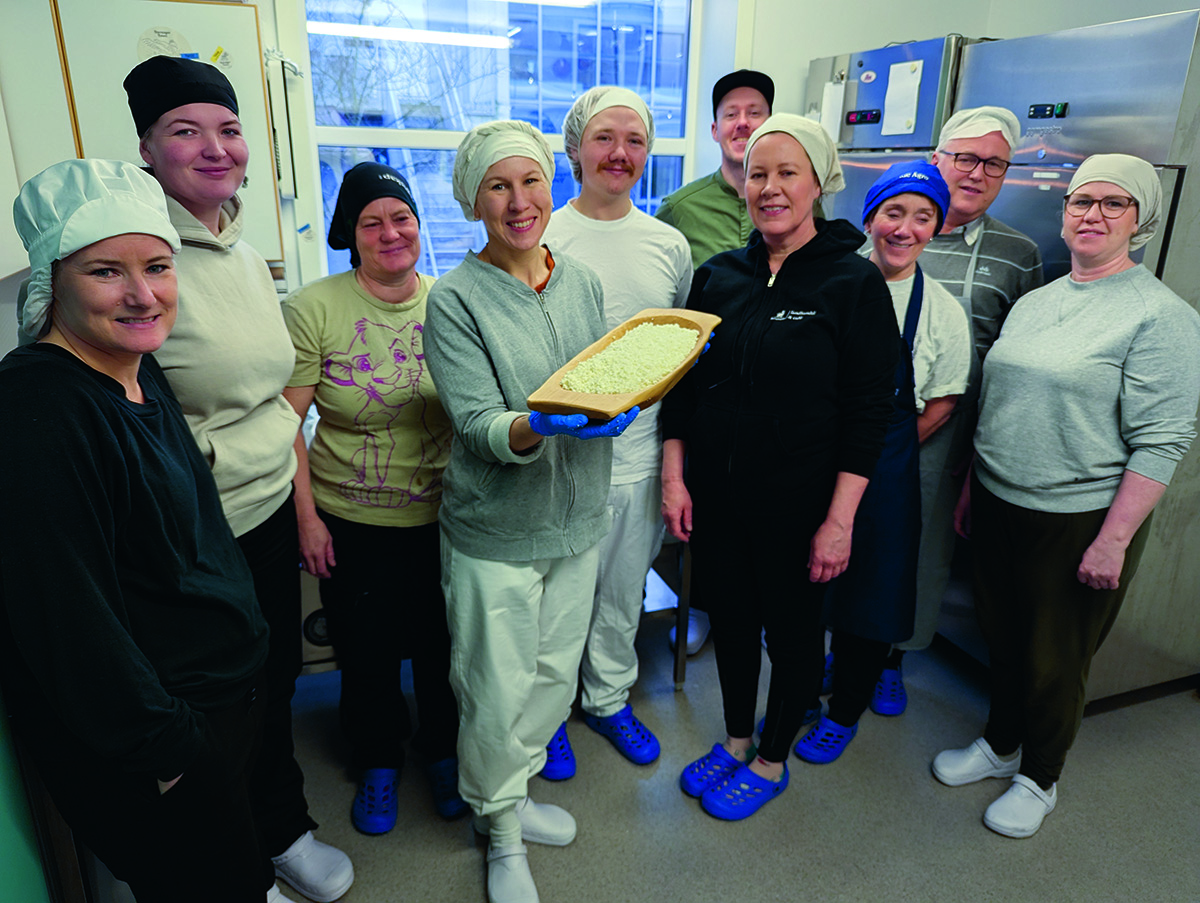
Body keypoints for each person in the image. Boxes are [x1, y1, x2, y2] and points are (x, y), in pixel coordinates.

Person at [0, 158, 269, 901]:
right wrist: (174, 752)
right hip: (161, 742)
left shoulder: (139, 368)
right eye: (105, 272)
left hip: (212, 709)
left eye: (156, 265)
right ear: (54, 281)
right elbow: (66, 619)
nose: (143, 293)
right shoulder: (40, 414)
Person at [123, 55, 351, 903]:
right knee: (218, 705)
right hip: (192, 530)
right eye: (186, 131)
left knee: (274, 679)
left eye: (227, 130)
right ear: (147, 149)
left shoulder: (246, 254)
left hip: (261, 511)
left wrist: (297, 503)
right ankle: (237, 870)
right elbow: (125, 415)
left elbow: (272, 400)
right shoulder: (142, 257)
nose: (214, 148)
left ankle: (281, 824)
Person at [935, 153, 1200, 838]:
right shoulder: (1039, 299)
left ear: (1141, 220)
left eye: (1114, 203)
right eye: (1082, 201)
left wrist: (1114, 538)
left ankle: (1040, 775)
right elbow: (998, 401)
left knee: (1056, 656)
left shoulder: (1159, 316)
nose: (1093, 214)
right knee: (1003, 635)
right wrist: (971, 485)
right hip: (998, 497)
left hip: (1079, 516)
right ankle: (1000, 743)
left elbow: (1163, 439)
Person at [424, 120, 639, 903]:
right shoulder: (454, 299)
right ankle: (502, 832)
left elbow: (604, 377)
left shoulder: (578, 281)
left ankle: (512, 794)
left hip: (579, 518)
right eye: (498, 186)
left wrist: (645, 381)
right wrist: (537, 422)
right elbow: (477, 422)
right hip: (496, 530)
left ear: (553, 184)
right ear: (473, 201)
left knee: (553, 675)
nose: (520, 202)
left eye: (532, 181)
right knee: (495, 683)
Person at [661, 114, 896, 821]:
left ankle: (771, 757)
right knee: (731, 622)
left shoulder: (852, 284)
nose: (770, 188)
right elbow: (683, 383)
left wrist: (838, 521)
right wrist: (675, 476)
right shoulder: (719, 275)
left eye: (787, 172)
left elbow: (866, 413)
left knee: (792, 635)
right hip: (720, 497)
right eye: (758, 173)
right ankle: (735, 739)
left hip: (802, 504)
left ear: (819, 182)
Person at [281, 162, 464, 834]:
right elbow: (286, 426)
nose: (391, 232)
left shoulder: (452, 301)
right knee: (365, 650)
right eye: (372, 222)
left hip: (447, 517)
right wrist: (306, 519)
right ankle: (378, 760)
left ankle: (442, 752)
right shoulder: (314, 308)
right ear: (350, 235)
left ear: (418, 225)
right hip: (350, 518)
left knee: (445, 646)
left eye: (402, 217)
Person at [540, 86, 692, 777]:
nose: (619, 153)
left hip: (639, 455)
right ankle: (549, 714)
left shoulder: (667, 244)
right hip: (554, 459)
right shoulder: (540, 234)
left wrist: (672, 466)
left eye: (634, 141)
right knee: (554, 597)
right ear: (575, 147)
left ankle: (606, 698)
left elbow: (678, 349)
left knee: (622, 591)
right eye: (604, 137)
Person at [800, 161, 970, 763]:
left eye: (922, 217)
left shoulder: (943, 311)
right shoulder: (831, 283)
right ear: (870, 218)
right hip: (815, 458)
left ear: (937, 229)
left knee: (870, 596)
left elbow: (944, 399)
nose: (905, 228)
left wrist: (876, 450)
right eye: (893, 212)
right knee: (806, 589)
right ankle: (804, 689)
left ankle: (844, 711)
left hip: (888, 470)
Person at [879, 106, 1045, 709]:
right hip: (867, 422)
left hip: (951, 432)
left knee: (919, 549)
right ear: (936, 160)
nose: (976, 173)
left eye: (993, 163)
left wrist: (980, 461)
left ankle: (892, 655)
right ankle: (842, 647)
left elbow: (1014, 360)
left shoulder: (1018, 253)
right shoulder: (885, 228)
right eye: (965, 157)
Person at [655, 69, 773, 655]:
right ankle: (699, 605)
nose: (743, 123)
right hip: (706, 386)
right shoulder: (681, 208)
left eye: (755, 112)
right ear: (715, 128)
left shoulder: (796, 200)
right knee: (703, 505)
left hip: (775, 386)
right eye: (732, 113)